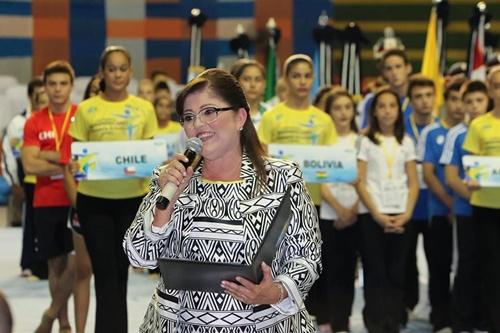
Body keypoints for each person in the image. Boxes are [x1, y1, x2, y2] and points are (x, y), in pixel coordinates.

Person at [124, 68, 321, 332]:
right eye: (189, 117)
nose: (198, 125)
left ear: (240, 117)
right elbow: (139, 257)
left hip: (266, 324)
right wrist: (165, 205)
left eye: (209, 112)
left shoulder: (283, 178)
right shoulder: (169, 179)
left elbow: (307, 255)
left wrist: (275, 292)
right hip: (178, 325)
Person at [69, 45, 158, 333]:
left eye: (123, 69)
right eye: (111, 69)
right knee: (105, 274)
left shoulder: (144, 109)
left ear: (130, 72)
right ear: (102, 73)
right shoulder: (87, 109)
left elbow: (150, 156)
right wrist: (75, 174)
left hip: (132, 202)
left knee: (121, 274)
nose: (117, 74)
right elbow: (76, 157)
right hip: (94, 202)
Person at [355, 88, 418, 333]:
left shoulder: (407, 141)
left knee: (397, 271)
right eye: (382, 106)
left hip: (402, 213)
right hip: (373, 215)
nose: (388, 111)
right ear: (374, 111)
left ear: (399, 110)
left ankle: (393, 322)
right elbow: (359, 181)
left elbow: (413, 182)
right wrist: (378, 215)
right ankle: (375, 323)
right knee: (375, 271)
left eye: (392, 105)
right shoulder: (365, 140)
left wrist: (408, 213)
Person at [22, 60, 77, 333]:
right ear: (45, 87)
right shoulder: (35, 121)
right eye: (52, 84)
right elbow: (29, 165)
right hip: (45, 199)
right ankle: (64, 322)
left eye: (63, 84)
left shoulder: (82, 115)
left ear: (71, 86)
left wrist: (45, 154)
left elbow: (86, 160)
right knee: (55, 263)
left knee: (77, 262)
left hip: (77, 197)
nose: (57, 90)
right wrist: (64, 161)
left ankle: (51, 314)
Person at [440, 80, 490, 333]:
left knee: (490, 264)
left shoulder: (494, 128)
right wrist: (478, 201)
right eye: (468, 101)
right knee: (467, 264)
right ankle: (461, 321)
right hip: (467, 211)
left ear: (488, 100)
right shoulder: (456, 134)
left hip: (494, 212)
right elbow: (451, 176)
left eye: (479, 100)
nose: (474, 106)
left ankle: (486, 318)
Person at [417, 81, 465, 332]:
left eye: (463, 99)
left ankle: (463, 317)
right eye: (454, 99)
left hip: (469, 213)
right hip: (439, 211)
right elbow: (428, 174)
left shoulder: (471, 130)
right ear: (445, 101)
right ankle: (440, 319)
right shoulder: (431, 133)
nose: (459, 106)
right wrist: (449, 204)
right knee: (439, 267)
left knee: (466, 267)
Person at [318, 91, 360, 333]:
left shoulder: (361, 140)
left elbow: (366, 179)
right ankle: (327, 319)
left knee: (348, 272)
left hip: (356, 214)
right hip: (330, 213)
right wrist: (339, 208)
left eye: (347, 107)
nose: (343, 113)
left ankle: (343, 323)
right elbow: (319, 180)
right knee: (329, 270)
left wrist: (352, 209)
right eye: (338, 108)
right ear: (329, 112)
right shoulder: (324, 143)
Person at [463, 66, 500, 332]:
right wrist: (473, 177)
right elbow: (470, 166)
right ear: (490, 90)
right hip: (486, 207)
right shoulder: (479, 125)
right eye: (496, 85)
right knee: (491, 269)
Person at [62, 75, 100, 333]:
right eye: (96, 90)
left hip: (116, 205)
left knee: (110, 273)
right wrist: (79, 202)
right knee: (83, 270)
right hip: (83, 204)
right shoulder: (78, 125)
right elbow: (68, 168)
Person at [1, 78, 48, 280]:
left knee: (45, 224)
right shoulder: (18, 124)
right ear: (31, 97)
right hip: (27, 178)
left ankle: (47, 261)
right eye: (39, 96)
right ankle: (28, 262)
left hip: (50, 180)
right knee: (30, 223)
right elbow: (8, 153)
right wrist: (13, 182)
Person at [402, 75, 437, 321]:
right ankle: (408, 305)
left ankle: (437, 309)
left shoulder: (442, 127)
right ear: (411, 100)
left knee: (437, 261)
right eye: (418, 97)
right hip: (406, 202)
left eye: (428, 95)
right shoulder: (401, 126)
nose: (424, 101)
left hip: (435, 203)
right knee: (406, 260)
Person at [358, 49, 413, 129]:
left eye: (398, 67)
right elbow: (365, 132)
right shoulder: (373, 100)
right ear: (384, 73)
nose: (394, 72)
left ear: (408, 68)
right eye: (389, 69)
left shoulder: (419, 98)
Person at [230, 59, 269, 128]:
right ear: (235, 82)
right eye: (246, 79)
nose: (253, 85)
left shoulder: (271, 113)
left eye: (258, 79)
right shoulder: (227, 114)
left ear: (264, 84)